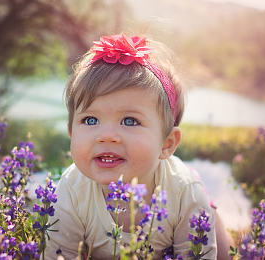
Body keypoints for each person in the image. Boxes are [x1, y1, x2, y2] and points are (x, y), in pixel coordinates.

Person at [43, 34, 222, 259]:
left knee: (220, 243)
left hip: (190, 194)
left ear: (167, 144)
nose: (106, 136)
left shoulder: (184, 190)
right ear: (71, 133)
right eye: (90, 120)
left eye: (130, 121)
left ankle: (214, 211)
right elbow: (59, 254)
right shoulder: (70, 189)